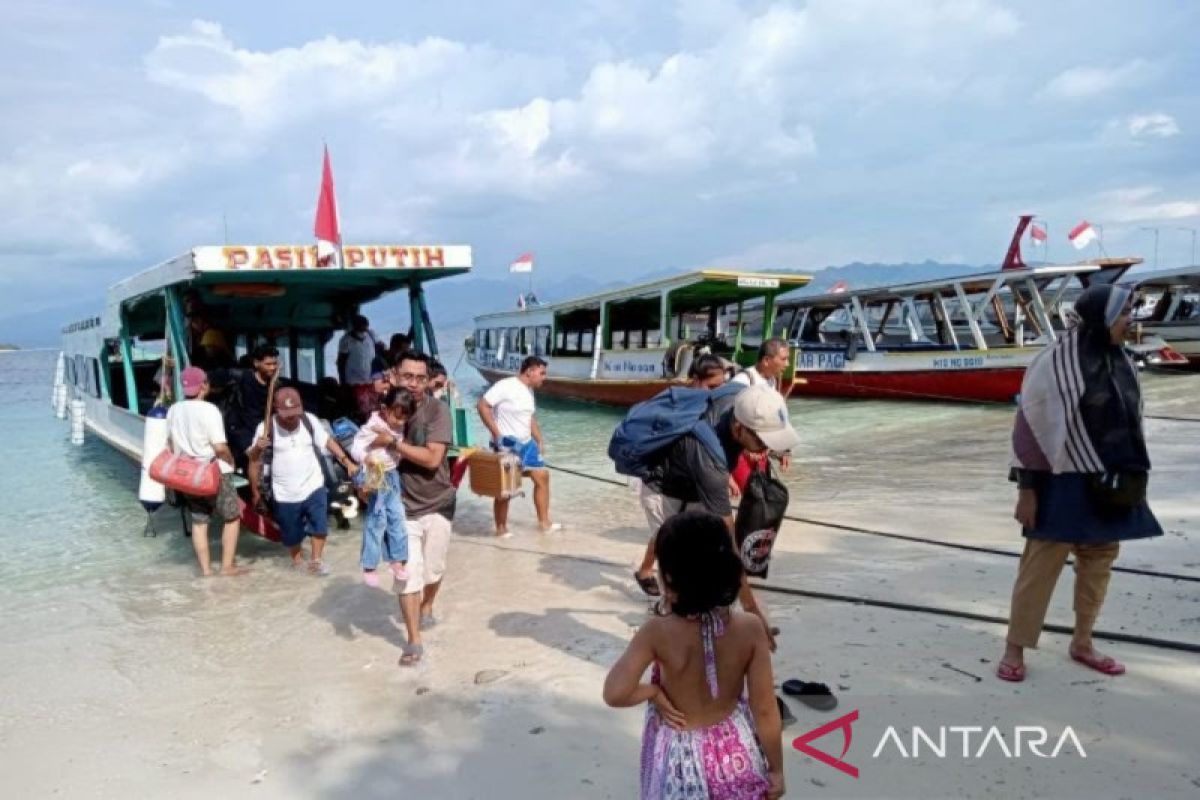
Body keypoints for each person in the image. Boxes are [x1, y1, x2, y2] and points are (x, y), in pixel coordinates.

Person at [997, 284, 1163, 682]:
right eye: (1123, 314)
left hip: (1112, 480)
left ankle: (1083, 642)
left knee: (1099, 562)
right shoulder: (1053, 362)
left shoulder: (1120, 358)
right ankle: (1014, 649)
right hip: (1061, 482)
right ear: (1101, 318)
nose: (1129, 322)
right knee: (1039, 567)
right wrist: (1027, 491)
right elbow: (1029, 430)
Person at [604, 511, 784, 800]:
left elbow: (614, 693)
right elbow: (764, 708)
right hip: (735, 752)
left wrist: (653, 692)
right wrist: (776, 769)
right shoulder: (750, 629)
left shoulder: (657, 632)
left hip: (678, 758)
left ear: (668, 577)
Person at [633, 385, 800, 644]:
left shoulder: (744, 399)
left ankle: (710, 621)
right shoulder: (709, 459)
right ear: (738, 429)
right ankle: (668, 623)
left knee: (704, 559)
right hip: (666, 488)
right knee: (678, 559)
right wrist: (753, 610)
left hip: (693, 482)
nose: (766, 448)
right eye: (762, 441)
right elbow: (730, 544)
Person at [389, 352, 458, 667]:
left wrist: (394, 444)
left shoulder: (438, 411)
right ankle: (413, 640)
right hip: (401, 506)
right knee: (408, 576)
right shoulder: (384, 413)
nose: (413, 384)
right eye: (407, 376)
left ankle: (428, 604)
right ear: (394, 376)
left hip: (438, 502)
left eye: (419, 378)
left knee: (433, 570)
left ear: (429, 381)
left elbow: (432, 459)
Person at [247, 387, 357, 576]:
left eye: (295, 413)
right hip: (284, 492)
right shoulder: (265, 428)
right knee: (291, 535)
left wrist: (346, 461)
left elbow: (328, 441)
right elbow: (253, 460)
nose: (292, 418)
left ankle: (316, 561)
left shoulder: (309, 420)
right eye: (286, 414)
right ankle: (297, 563)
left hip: (313, 484)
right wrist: (255, 491)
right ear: (275, 408)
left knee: (320, 525)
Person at [166, 366, 247, 577]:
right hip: (212, 472)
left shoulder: (174, 409)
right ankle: (227, 566)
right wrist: (232, 463)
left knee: (200, 522)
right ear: (204, 385)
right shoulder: (209, 410)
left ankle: (206, 571)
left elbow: (169, 442)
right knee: (232, 517)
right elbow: (220, 447)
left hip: (187, 476)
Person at [476, 355, 560, 536]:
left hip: (527, 445)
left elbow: (528, 417)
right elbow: (482, 406)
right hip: (506, 445)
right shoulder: (505, 386)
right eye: (542, 373)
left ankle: (544, 523)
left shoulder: (529, 391)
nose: (544, 377)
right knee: (506, 489)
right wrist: (497, 435)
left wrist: (539, 439)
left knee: (542, 477)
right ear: (529, 371)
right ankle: (501, 529)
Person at [350, 387, 414, 588]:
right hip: (374, 475)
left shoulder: (398, 425)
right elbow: (356, 447)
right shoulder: (373, 425)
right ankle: (369, 565)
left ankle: (396, 560)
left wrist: (393, 439)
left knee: (397, 517)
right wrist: (365, 457)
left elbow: (398, 446)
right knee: (377, 520)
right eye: (397, 418)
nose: (400, 422)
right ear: (385, 409)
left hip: (391, 476)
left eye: (404, 419)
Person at [730, 337, 793, 480]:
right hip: (741, 454)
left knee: (763, 496)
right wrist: (746, 449)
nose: (787, 364)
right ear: (766, 360)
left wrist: (784, 450)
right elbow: (730, 422)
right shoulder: (743, 381)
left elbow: (774, 419)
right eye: (783, 359)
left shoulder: (771, 381)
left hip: (760, 452)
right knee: (752, 496)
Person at [224, 344, 282, 468]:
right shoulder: (242, 378)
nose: (272, 368)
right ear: (256, 363)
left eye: (275, 364)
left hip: (265, 431)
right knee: (253, 460)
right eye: (268, 364)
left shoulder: (277, 385)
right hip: (243, 431)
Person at [338, 315, 384, 422]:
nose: (364, 329)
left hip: (371, 380)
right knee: (362, 409)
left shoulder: (371, 335)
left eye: (365, 326)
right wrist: (343, 382)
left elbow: (381, 347)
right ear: (354, 326)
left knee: (374, 407)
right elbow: (341, 362)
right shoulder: (346, 340)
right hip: (355, 382)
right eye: (361, 326)